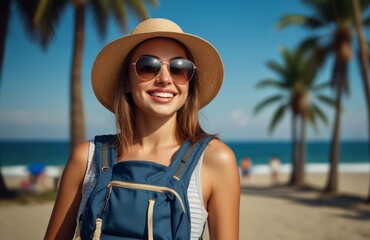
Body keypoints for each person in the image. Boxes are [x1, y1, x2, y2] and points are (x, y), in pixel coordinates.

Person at [44, 18, 240, 239]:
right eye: (148, 66)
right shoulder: (85, 158)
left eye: (179, 69)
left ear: (189, 83)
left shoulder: (216, 160)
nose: (165, 79)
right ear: (126, 81)